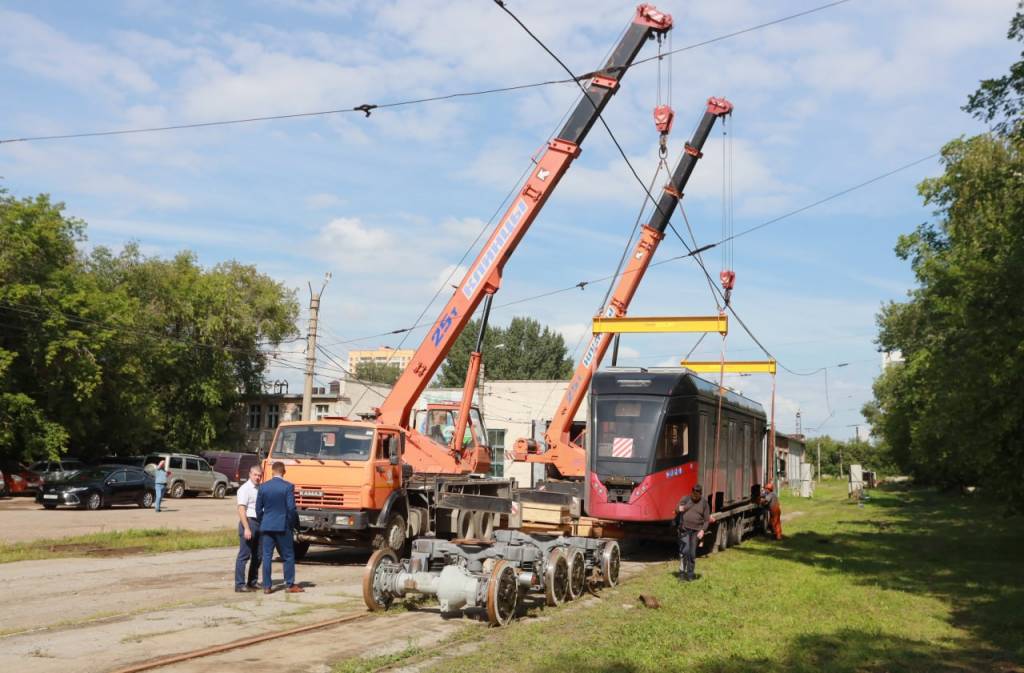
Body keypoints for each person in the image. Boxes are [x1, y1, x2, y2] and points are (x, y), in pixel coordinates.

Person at [256, 461, 303, 594]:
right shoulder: (287, 487)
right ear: (284, 472)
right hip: (283, 526)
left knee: (267, 556)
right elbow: (291, 509)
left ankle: (267, 586)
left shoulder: (263, 487)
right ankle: (289, 584)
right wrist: (292, 524)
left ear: (272, 471)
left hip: (267, 526)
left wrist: (263, 521)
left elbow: (258, 509)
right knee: (288, 555)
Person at [234, 465, 263, 592]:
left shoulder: (260, 488)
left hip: (260, 523)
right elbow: (241, 509)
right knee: (244, 555)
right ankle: (240, 584)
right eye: (255, 475)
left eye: (259, 475)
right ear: (250, 474)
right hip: (249, 522)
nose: (257, 477)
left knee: (258, 555)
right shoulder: (244, 489)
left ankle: (252, 581)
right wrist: (246, 528)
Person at [676, 484, 711, 581]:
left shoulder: (704, 503)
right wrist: (679, 509)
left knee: (692, 554)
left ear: (700, 493)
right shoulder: (685, 499)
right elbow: (676, 509)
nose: (695, 495)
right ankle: (682, 574)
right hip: (684, 529)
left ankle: (690, 574)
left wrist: (703, 530)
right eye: (693, 492)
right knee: (684, 551)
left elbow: (707, 520)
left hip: (696, 531)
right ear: (691, 492)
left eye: (697, 493)